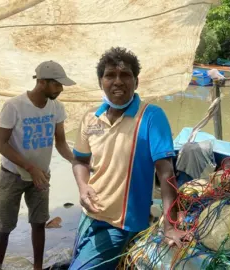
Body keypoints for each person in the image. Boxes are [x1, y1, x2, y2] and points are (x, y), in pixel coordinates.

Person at [69, 47, 186, 269]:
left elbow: (166, 172)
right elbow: (80, 161)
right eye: (110, 75)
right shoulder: (90, 119)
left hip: (121, 223)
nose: (118, 81)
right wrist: (83, 187)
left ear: (136, 81)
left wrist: (170, 226)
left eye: (125, 75)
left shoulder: (151, 116)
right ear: (100, 81)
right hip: (89, 216)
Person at [0, 61, 76, 270]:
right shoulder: (14, 106)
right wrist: (30, 168)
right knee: (4, 227)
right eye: (57, 84)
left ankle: (37, 267)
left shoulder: (57, 107)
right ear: (41, 82)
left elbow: (61, 143)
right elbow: (0, 144)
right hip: (12, 175)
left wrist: (77, 161)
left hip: (41, 176)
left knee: (39, 223)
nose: (61, 89)